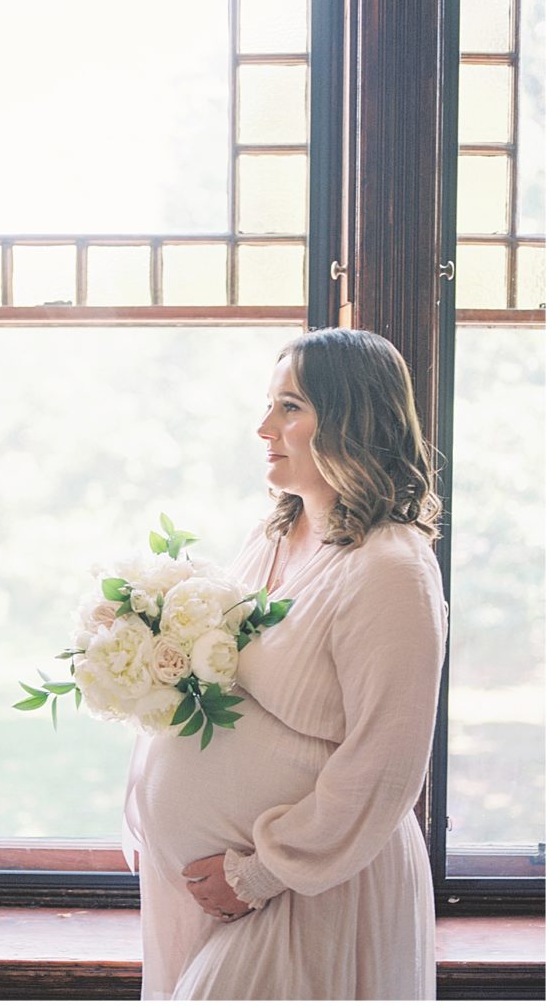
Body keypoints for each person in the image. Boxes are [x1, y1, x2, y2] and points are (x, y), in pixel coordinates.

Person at [122, 327, 448, 1000]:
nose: (264, 426)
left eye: (289, 407)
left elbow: (385, 765)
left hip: (316, 886)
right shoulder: (267, 535)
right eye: (269, 405)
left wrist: (258, 873)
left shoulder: (390, 569)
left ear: (351, 419)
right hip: (226, 887)